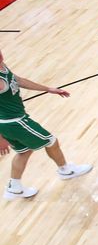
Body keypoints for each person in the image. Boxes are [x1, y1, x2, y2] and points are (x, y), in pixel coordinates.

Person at [0, 48, 92, 200]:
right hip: (14, 122)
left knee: (24, 151)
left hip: (12, 121)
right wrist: (1, 138)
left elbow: (18, 80)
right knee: (51, 141)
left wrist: (48, 89)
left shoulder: (2, 66)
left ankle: (14, 187)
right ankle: (65, 170)